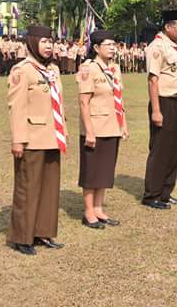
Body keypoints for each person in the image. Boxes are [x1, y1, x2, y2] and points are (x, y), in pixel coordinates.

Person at [6, 25, 67, 255]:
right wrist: (18, 140)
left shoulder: (53, 70)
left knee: (50, 188)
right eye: (43, 41)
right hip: (32, 137)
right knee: (27, 188)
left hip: (52, 136)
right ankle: (23, 236)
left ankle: (43, 231)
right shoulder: (23, 71)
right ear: (32, 43)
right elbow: (17, 107)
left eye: (51, 41)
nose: (49, 46)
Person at [77, 30, 130, 228]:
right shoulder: (88, 68)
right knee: (92, 171)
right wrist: (89, 131)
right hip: (95, 127)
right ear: (97, 48)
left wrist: (123, 123)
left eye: (114, 44)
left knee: (106, 169)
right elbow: (84, 103)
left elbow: (118, 98)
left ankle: (99, 208)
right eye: (108, 45)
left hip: (112, 125)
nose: (112, 48)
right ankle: (89, 211)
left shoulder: (115, 68)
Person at [142, 9, 177, 209]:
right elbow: (153, 80)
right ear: (168, 27)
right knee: (160, 150)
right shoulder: (157, 47)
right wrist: (156, 110)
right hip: (163, 102)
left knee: (174, 149)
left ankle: (165, 192)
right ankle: (151, 194)